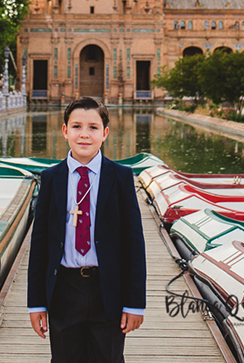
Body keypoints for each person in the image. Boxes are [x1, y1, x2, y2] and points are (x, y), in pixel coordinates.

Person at [27, 96, 146, 363]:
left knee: (109, 358)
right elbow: (40, 245)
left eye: (93, 127)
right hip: (64, 290)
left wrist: (135, 302)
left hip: (109, 289)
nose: (84, 134)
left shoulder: (120, 178)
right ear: (65, 131)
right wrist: (36, 303)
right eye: (77, 126)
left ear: (104, 134)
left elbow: (134, 244)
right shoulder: (51, 178)